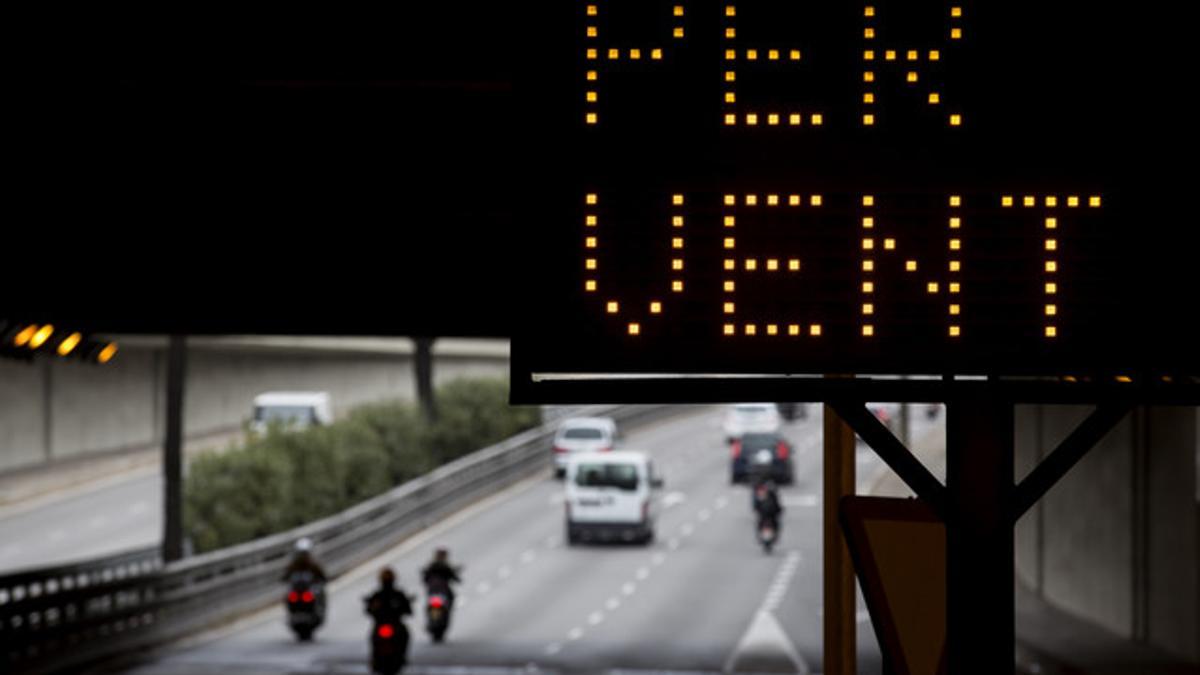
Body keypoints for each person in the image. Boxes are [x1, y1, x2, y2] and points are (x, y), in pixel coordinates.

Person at [365, 567, 414, 664]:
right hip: (389, 625)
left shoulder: (378, 594)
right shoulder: (397, 594)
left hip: (389, 625)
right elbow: (408, 610)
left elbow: (368, 610)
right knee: (404, 635)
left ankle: (376, 658)